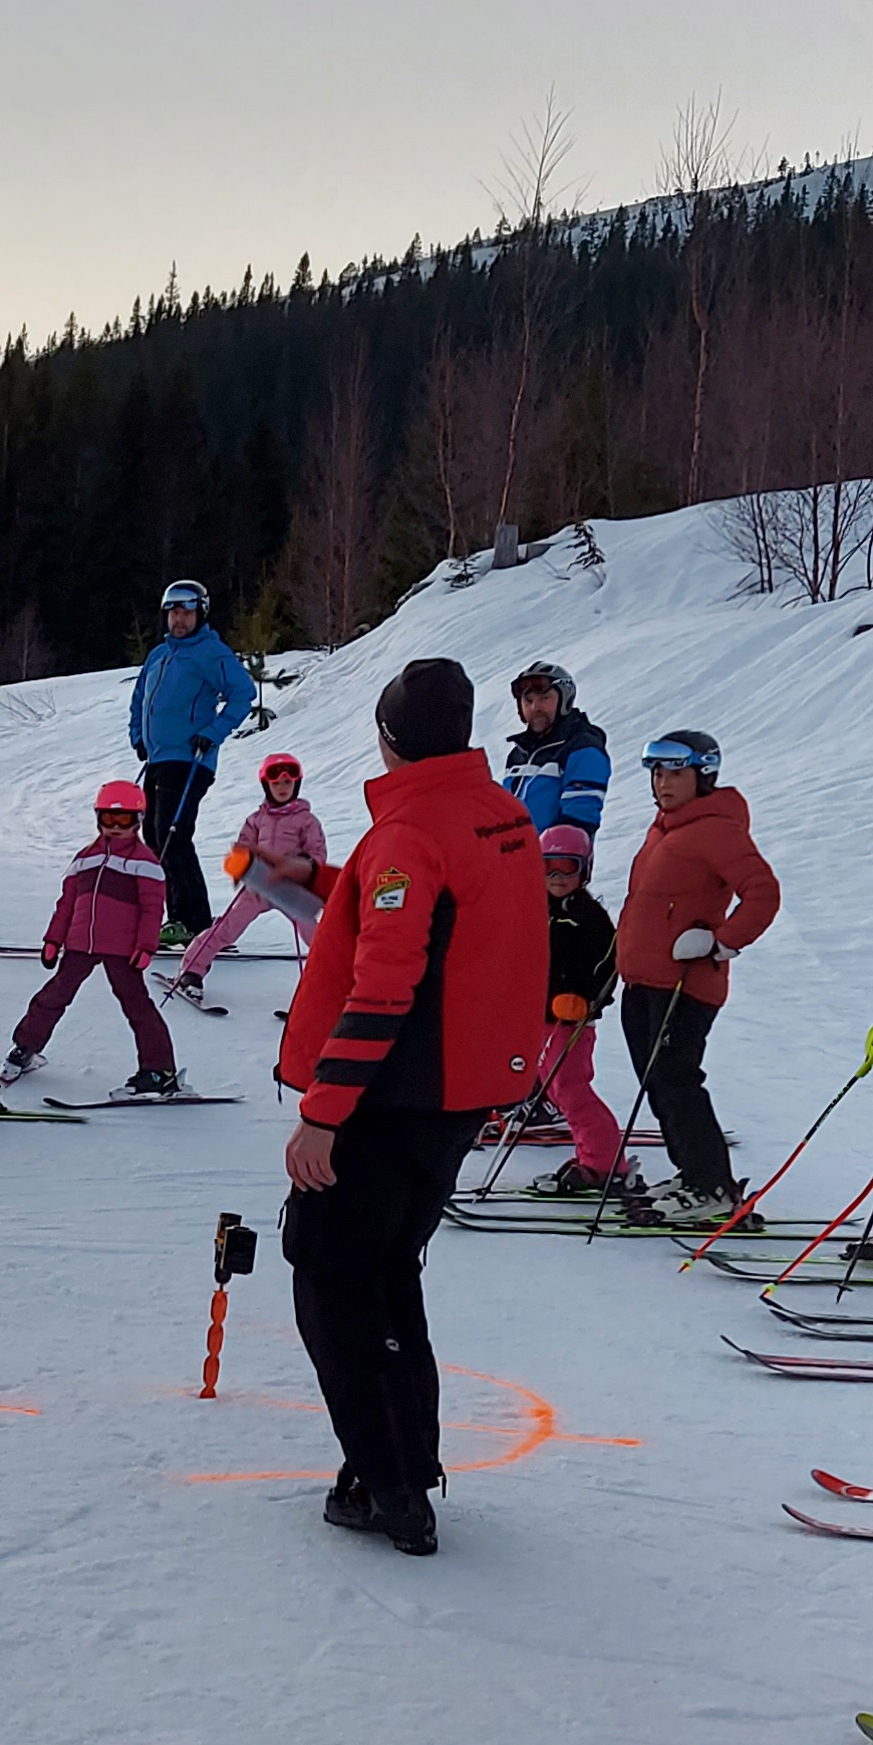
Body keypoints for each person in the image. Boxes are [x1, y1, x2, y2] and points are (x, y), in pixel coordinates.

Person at [273, 658, 548, 1553]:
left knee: (334, 1276)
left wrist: (325, 1111)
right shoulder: (499, 813)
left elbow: (388, 981)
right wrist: (324, 879)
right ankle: (398, 1467)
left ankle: (389, 1485)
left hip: (393, 1096)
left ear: (389, 738)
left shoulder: (410, 830)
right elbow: (434, 916)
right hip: (456, 1090)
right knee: (387, 1270)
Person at [607, 728, 779, 1225]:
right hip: (644, 980)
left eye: (675, 774)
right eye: (657, 773)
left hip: (686, 983)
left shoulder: (717, 829)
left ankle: (712, 1185)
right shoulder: (665, 829)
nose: (663, 783)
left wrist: (720, 942)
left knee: (677, 1080)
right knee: (656, 1081)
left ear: (703, 776)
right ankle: (693, 1174)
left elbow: (763, 893)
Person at [0, 779, 182, 1096]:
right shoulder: (85, 858)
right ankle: (25, 1046)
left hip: (123, 948)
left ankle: (159, 1071)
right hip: (80, 944)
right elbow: (67, 903)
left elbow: (153, 909)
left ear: (138, 820)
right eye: (109, 819)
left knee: (137, 1005)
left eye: (123, 819)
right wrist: (53, 939)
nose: (115, 827)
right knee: (54, 995)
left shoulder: (145, 863)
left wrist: (145, 946)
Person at [125, 579, 259, 940]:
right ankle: (178, 918)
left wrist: (213, 733)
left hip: (190, 758)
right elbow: (140, 699)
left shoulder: (211, 653)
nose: (179, 620)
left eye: (186, 613)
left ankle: (193, 922)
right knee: (155, 836)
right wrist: (138, 737)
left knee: (173, 834)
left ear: (200, 614)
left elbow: (243, 693)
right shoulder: (160, 655)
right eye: (173, 613)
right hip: (158, 759)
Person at [525, 823, 631, 1198]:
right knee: (552, 1087)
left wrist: (587, 1000)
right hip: (538, 1017)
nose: (556, 877)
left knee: (570, 1089)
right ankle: (591, 1153)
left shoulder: (590, 917)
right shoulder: (534, 908)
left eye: (566, 867)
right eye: (548, 867)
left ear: (584, 869)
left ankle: (604, 1163)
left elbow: (608, 967)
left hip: (570, 1021)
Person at [165, 752, 327, 996]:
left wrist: (303, 866)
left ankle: (335, 982)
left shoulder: (307, 821)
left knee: (316, 934)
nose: (282, 788)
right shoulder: (257, 820)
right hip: (258, 887)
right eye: (276, 783)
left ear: (297, 784)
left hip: (291, 890)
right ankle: (191, 970)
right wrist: (241, 863)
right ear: (266, 786)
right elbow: (243, 847)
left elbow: (317, 854)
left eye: (288, 782)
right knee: (226, 929)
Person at [502, 664, 612, 840]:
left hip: (554, 854)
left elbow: (579, 815)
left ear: (564, 700)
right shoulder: (518, 754)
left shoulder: (582, 747)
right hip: (512, 854)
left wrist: (557, 853)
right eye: (528, 701)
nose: (535, 708)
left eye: (544, 698)